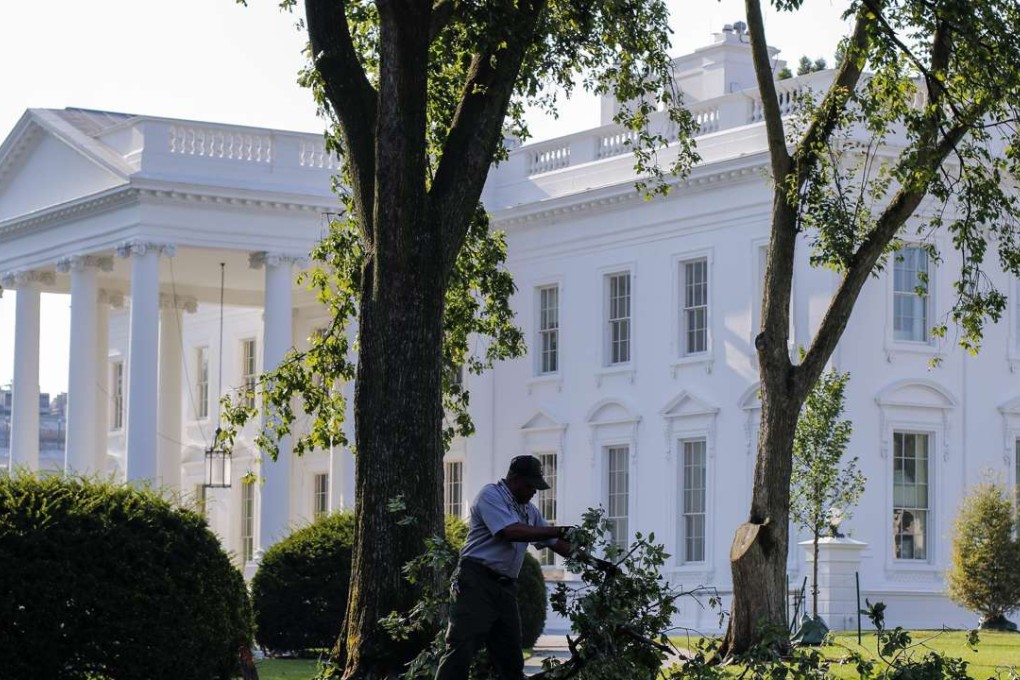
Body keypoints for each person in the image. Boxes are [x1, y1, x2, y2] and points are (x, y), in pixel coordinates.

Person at [434, 454, 614, 680]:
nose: (534, 492)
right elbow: (510, 532)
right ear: (515, 480)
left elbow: (557, 544)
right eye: (530, 486)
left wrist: (597, 564)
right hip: (476, 582)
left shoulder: (529, 511)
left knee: (510, 658)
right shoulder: (490, 495)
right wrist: (558, 529)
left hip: (505, 588)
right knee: (461, 650)